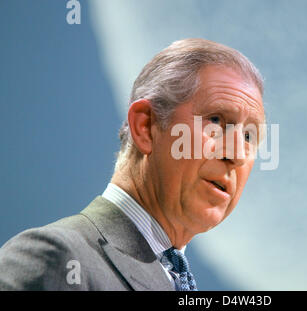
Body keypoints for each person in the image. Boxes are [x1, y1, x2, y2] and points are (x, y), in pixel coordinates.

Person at [0, 38, 265, 290]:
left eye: (248, 136)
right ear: (146, 127)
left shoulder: (174, 277)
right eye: (216, 120)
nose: (237, 154)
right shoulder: (58, 260)